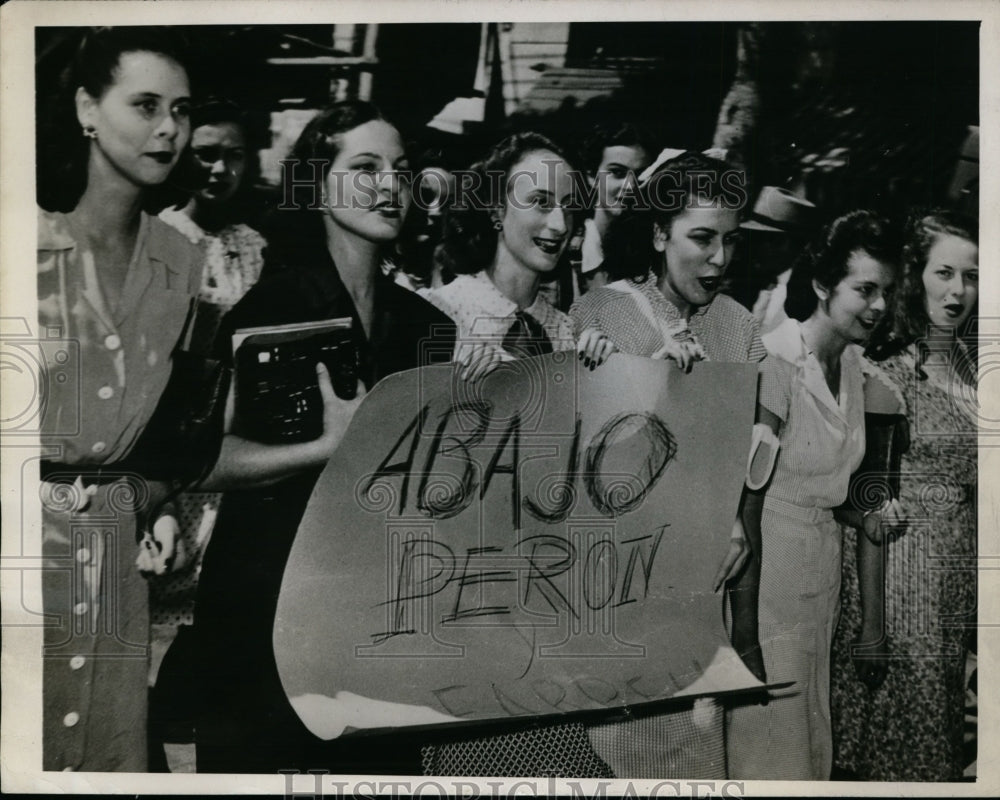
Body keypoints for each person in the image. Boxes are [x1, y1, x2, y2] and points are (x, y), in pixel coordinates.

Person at [192, 100, 456, 775]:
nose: (390, 185)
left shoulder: (427, 325)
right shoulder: (273, 308)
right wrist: (324, 449)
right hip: (265, 610)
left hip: (378, 616)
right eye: (365, 167)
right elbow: (204, 460)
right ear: (316, 183)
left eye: (400, 170)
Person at [417, 131, 616, 778]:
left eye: (570, 207)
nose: (559, 223)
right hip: (461, 609)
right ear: (496, 209)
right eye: (538, 201)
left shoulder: (572, 334)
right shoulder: (439, 316)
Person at [569, 150, 766, 779]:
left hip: (705, 600)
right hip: (619, 595)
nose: (720, 258)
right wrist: (647, 375)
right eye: (701, 238)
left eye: (730, 241)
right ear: (658, 234)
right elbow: (575, 473)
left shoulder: (738, 327)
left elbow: (750, 464)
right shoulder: (599, 314)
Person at [35, 26, 201, 771]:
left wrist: (159, 502)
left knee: (106, 757)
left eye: (182, 109)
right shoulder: (20, 242)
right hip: (21, 559)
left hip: (117, 565)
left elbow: (161, 431)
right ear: (86, 109)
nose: (170, 128)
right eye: (146, 105)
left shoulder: (181, 261)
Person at [726, 210, 904, 780]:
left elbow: (830, 490)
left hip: (820, 575)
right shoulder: (776, 363)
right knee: (770, 747)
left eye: (888, 292)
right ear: (825, 285)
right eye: (865, 290)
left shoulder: (857, 370)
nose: (878, 306)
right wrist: (744, 639)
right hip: (768, 575)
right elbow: (747, 506)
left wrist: (867, 516)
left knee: (808, 739)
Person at [831, 210, 978, 781]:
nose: (958, 290)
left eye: (972, 275)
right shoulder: (888, 373)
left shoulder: (970, 369)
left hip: (951, 590)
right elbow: (868, 501)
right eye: (945, 273)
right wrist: (872, 626)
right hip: (900, 583)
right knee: (896, 755)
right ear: (916, 276)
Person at [149, 97, 268, 770]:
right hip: (185, 445)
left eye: (234, 155)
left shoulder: (258, 244)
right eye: (207, 153)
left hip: (242, 445)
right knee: (170, 616)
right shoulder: (162, 239)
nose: (220, 168)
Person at [572, 122, 653, 295]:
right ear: (591, 177)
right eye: (617, 173)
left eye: (640, 175)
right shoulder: (567, 254)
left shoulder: (652, 255)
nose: (630, 186)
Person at [728, 185, 818, 335]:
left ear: (792, 244)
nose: (755, 247)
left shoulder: (806, 294)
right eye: (754, 238)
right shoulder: (739, 279)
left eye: (767, 239)